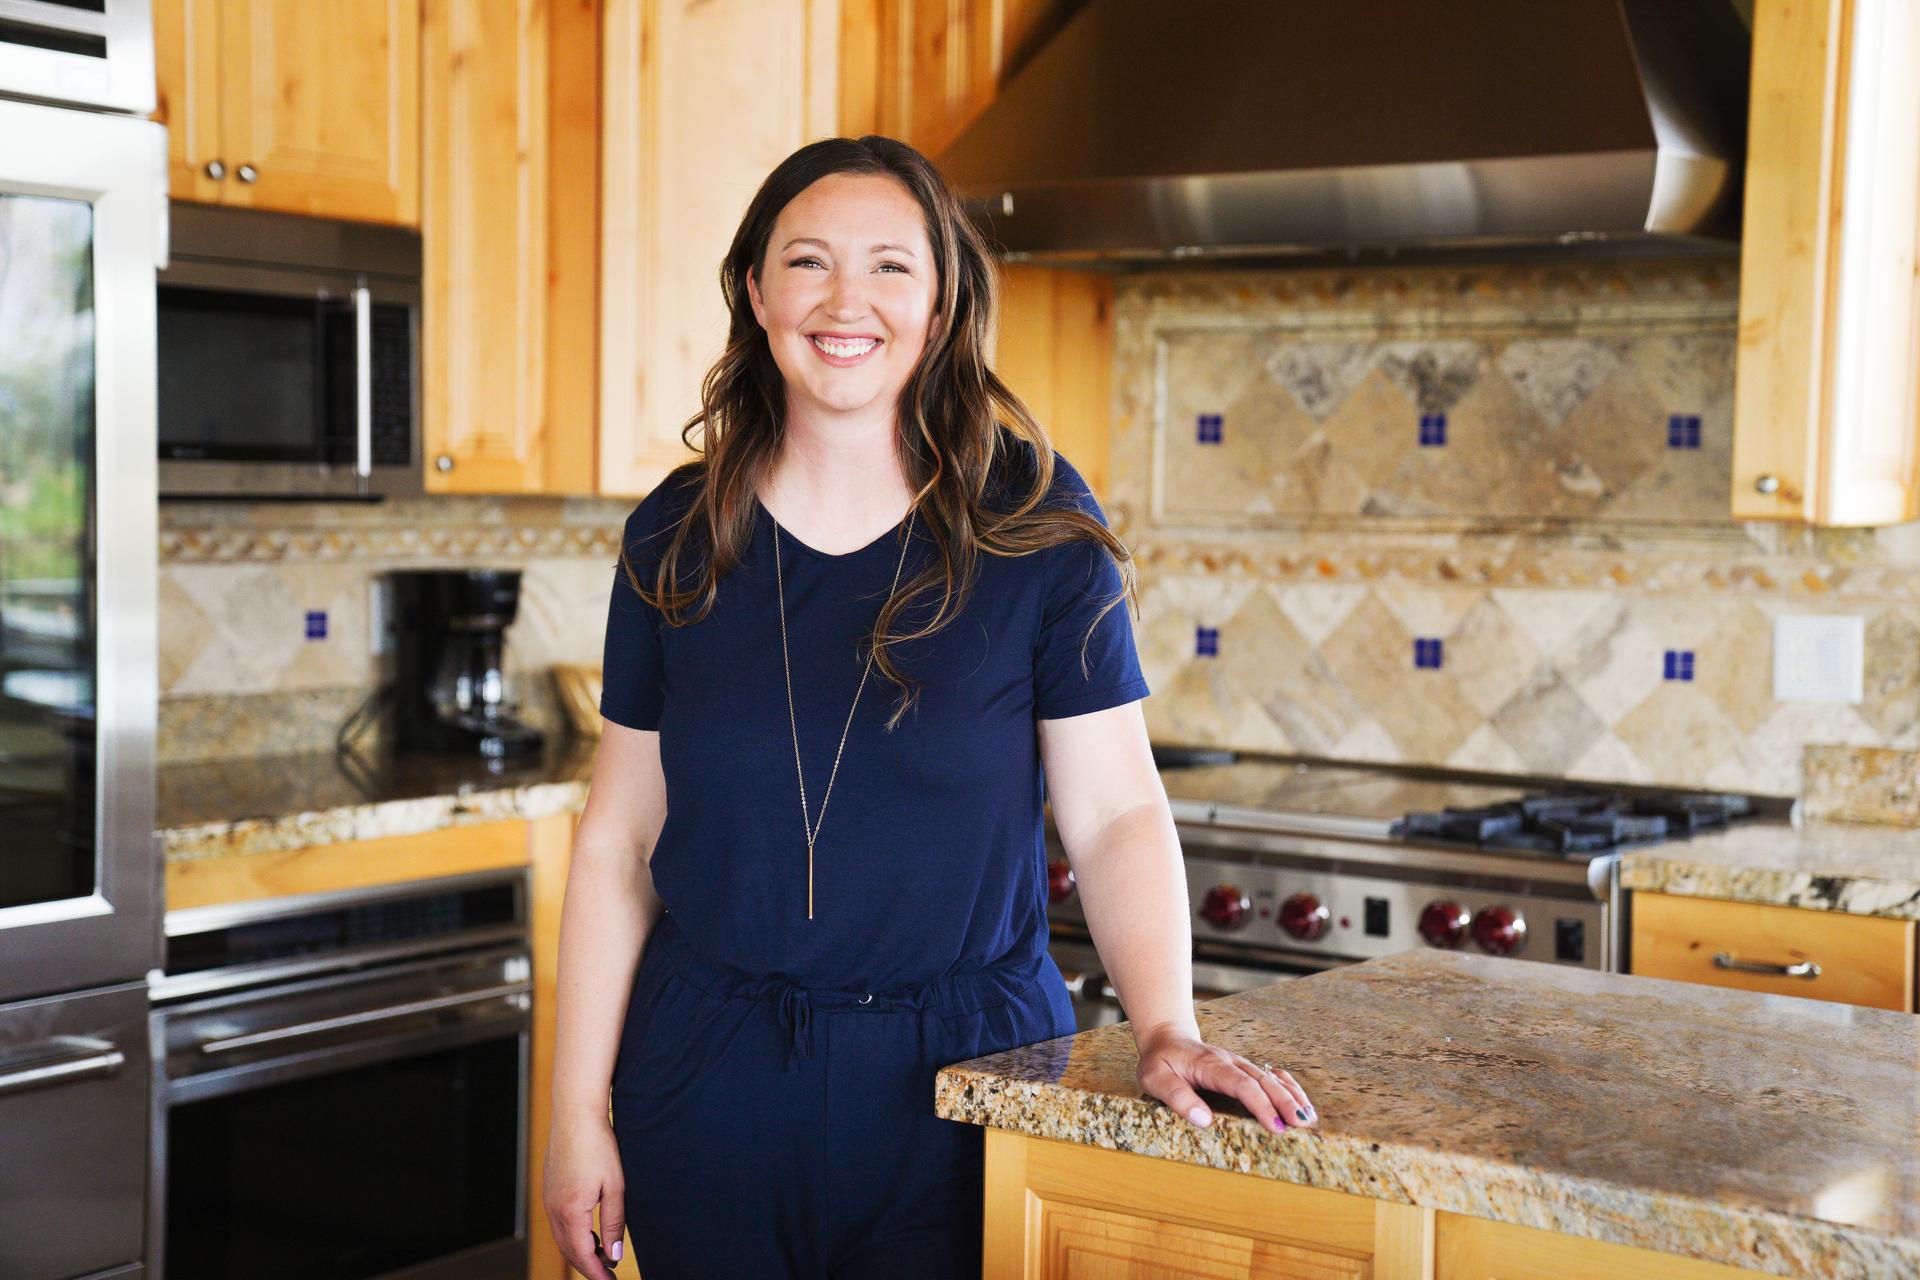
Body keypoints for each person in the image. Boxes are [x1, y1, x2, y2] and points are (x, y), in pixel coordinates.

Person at [542, 134, 1316, 1280]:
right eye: (806, 261)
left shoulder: (1037, 522)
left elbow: (1112, 814)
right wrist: (573, 1110)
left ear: (945, 296)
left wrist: (1166, 1025)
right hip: (707, 1080)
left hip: (968, 1078)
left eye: (890, 266)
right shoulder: (674, 532)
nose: (845, 299)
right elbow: (619, 840)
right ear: (756, 291)